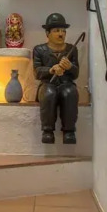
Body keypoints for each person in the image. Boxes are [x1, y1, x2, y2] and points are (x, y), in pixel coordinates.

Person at [33, 13, 79, 144]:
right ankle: (47, 131)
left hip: (66, 83)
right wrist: (51, 70)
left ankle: (69, 131)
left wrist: (70, 67)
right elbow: (37, 72)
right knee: (49, 94)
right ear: (47, 33)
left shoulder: (72, 49)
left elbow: (76, 74)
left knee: (70, 93)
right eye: (56, 31)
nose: (61, 34)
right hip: (48, 84)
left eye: (63, 31)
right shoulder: (39, 50)